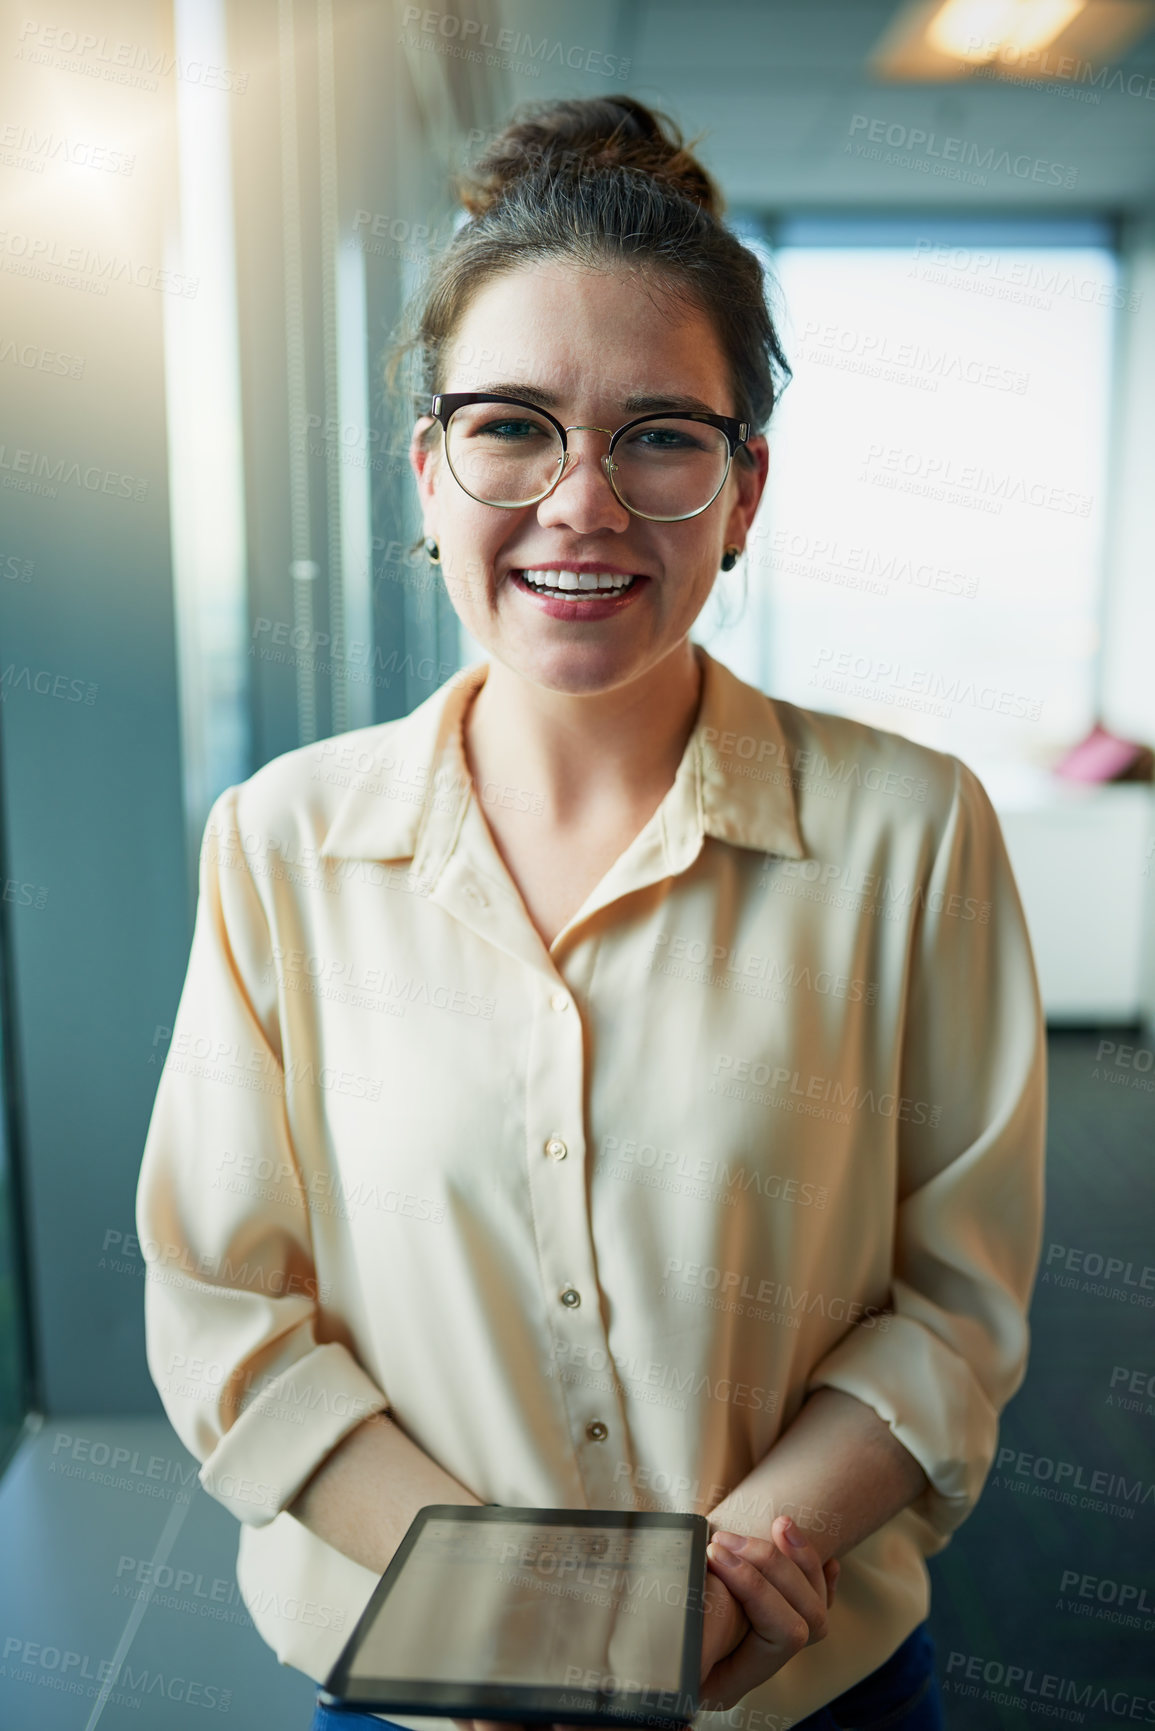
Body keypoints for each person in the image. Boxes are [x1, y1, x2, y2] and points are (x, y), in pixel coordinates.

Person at [136, 95, 1047, 1731]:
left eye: (658, 434)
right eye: (512, 427)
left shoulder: (913, 835)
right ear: (430, 472)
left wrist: (704, 1601)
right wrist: (529, 1631)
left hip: (797, 1687)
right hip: (410, 1692)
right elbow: (227, 1315)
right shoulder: (281, 843)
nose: (583, 502)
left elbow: (953, 1307)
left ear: (744, 489)